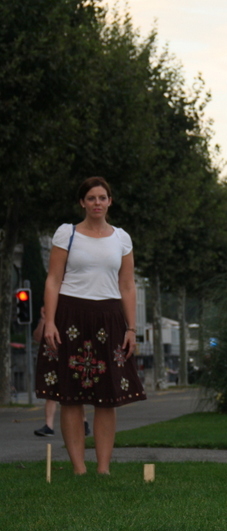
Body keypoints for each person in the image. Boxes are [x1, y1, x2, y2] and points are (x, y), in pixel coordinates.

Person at [35, 177, 146, 475]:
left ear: (110, 201)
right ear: (82, 203)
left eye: (102, 197)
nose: (97, 203)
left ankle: (103, 469)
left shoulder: (121, 238)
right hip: (70, 316)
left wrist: (131, 329)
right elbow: (53, 280)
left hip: (109, 318)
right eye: (91, 198)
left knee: (106, 397)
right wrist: (50, 322)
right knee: (70, 396)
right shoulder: (67, 234)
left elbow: (127, 285)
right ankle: (79, 468)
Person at [33, 309, 90, 438]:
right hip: (53, 357)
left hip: (70, 355)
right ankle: (49, 425)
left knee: (75, 390)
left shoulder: (71, 314)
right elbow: (37, 337)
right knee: (51, 391)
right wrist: (44, 320)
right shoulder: (49, 318)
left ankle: (83, 421)